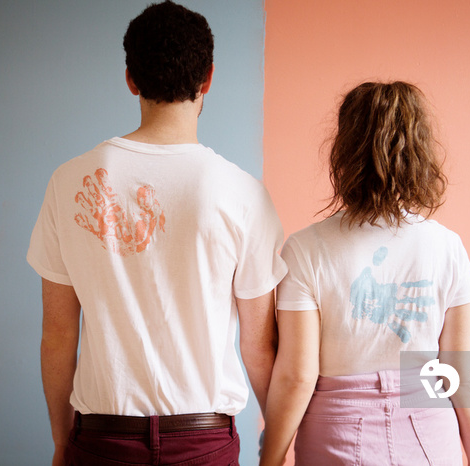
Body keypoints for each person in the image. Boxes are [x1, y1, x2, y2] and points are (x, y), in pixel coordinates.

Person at [27, 2, 287, 464]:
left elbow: (58, 334)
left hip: (103, 441)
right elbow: (258, 346)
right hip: (204, 442)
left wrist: (60, 440)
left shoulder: (69, 182)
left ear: (130, 78)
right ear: (208, 78)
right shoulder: (244, 193)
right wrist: (279, 443)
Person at [260, 81, 470, 465]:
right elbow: (460, 370)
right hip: (430, 434)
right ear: (418, 152)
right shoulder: (447, 246)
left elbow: (298, 377)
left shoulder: (305, 249)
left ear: (344, 151)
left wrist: (271, 459)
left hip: (335, 432)